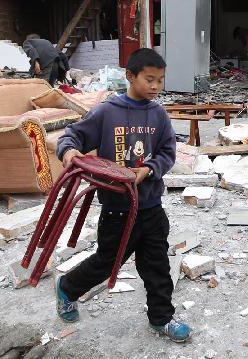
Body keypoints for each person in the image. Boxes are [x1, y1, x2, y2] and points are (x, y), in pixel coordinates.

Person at [53, 48, 192, 343]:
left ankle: (162, 319)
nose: (155, 86)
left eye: (160, 80)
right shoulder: (107, 111)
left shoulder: (158, 114)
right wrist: (69, 151)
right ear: (130, 76)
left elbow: (168, 152)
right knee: (106, 262)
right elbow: (72, 135)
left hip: (152, 206)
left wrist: (149, 169)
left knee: (157, 267)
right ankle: (67, 287)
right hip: (117, 208)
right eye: (149, 79)